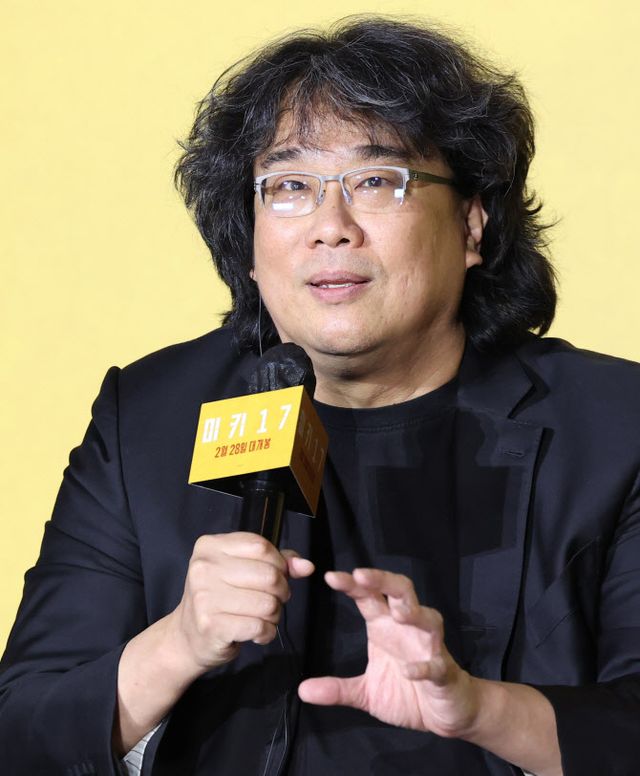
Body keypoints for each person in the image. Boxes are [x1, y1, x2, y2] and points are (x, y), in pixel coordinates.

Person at [1, 15, 639, 776]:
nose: (330, 228)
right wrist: (179, 642)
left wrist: (480, 710)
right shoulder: (149, 418)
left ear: (473, 224)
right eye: (290, 187)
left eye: (376, 181)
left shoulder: (613, 427)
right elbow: (23, 731)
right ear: (249, 240)